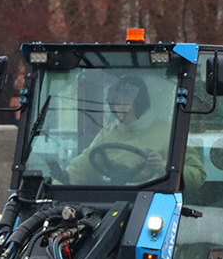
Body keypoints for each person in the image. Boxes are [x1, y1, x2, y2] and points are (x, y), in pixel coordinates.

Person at [66, 74, 205, 188]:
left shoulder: (166, 133)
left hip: (153, 201)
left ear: (139, 102)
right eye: (115, 103)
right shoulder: (108, 132)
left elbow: (198, 175)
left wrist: (164, 167)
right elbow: (85, 164)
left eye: (125, 102)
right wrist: (60, 180)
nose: (118, 108)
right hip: (112, 197)